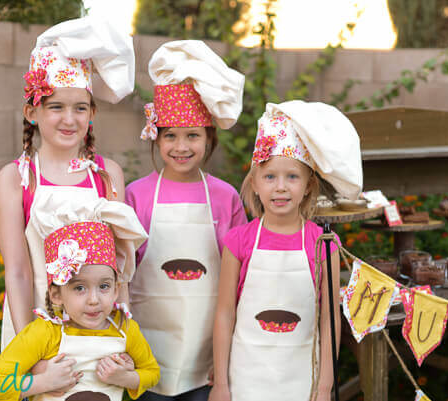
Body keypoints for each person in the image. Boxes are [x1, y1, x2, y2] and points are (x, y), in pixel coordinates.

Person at [0, 15, 136, 350]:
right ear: (33, 112)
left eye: (80, 108)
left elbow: (120, 265)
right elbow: (17, 272)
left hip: (96, 330)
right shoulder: (16, 178)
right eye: (56, 106)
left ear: (92, 114)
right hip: (33, 325)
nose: (69, 119)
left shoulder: (107, 174)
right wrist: (32, 350)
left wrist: (122, 337)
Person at [209, 101, 363, 401]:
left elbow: (330, 320)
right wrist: (221, 384)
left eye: (292, 176)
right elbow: (225, 314)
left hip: (301, 381)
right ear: (254, 183)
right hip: (245, 380)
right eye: (270, 177)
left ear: (308, 185)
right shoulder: (238, 241)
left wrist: (324, 387)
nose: (280, 187)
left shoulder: (323, 244)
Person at [125, 40, 246, 400]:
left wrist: (225, 360)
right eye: (170, 136)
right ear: (156, 138)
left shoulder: (226, 197)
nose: (181, 146)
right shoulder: (137, 195)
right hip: (145, 354)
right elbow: (121, 275)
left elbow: (238, 280)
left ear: (209, 139)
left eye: (192, 135)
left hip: (208, 357)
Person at [0, 197, 157, 401]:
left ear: (116, 290)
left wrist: (127, 378)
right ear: (57, 295)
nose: (94, 300)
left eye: (104, 286)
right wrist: (41, 383)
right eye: (80, 288)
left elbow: (152, 373)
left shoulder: (125, 329)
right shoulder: (44, 333)